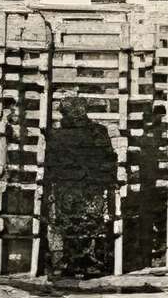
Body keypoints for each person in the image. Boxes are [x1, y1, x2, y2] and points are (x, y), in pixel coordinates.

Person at [42, 96, 118, 278]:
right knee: (88, 222)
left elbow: (50, 164)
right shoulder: (98, 131)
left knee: (74, 223)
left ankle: (76, 261)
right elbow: (109, 158)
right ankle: (84, 261)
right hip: (87, 187)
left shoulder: (57, 135)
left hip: (73, 187)